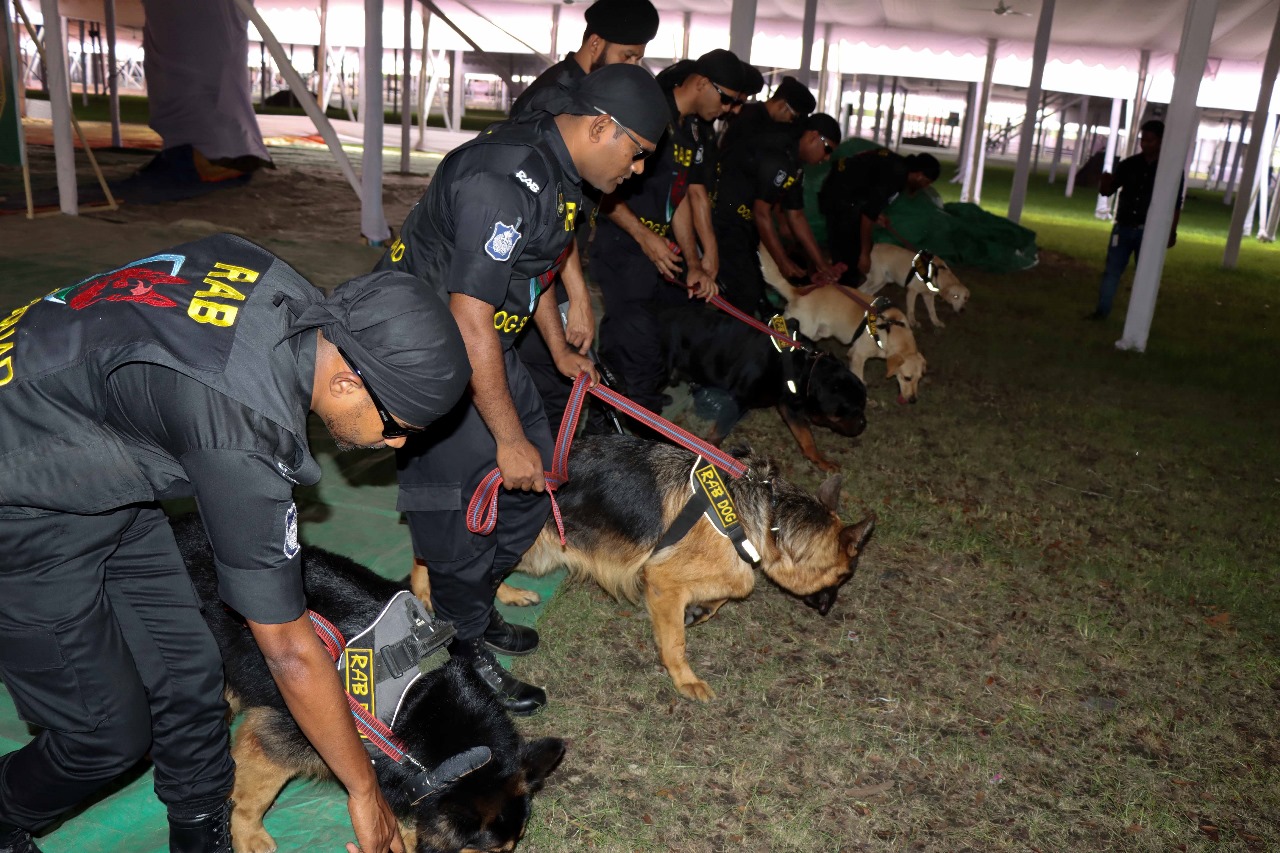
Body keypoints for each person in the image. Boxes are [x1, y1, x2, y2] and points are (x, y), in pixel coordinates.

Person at [0, 234, 471, 853]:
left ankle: (202, 835)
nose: (396, 446)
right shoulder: (243, 435)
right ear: (349, 382)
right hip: (22, 503)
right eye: (397, 427)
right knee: (104, 734)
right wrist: (363, 788)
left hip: (96, 453)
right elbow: (291, 653)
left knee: (191, 679)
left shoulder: (287, 290)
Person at [375, 63, 669, 716]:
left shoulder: (559, 171)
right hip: (421, 348)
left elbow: (528, 270)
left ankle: (468, 606)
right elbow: (471, 312)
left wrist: (560, 348)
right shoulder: (502, 181)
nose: (640, 170)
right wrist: (504, 437)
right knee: (461, 509)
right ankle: (464, 654)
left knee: (539, 481)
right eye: (638, 153)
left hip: (476, 340)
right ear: (601, 127)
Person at [508, 0, 660, 435]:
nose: (635, 67)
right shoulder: (555, 100)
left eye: (639, 58)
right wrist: (576, 301)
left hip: (556, 255)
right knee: (553, 386)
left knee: (559, 381)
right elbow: (550, 212)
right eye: (628, 56)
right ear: (596, 43)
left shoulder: (597, 92)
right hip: (536, 262)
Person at [591, 49, 747, 416]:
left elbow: (678, 201)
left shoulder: (687, 129)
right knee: (634, 346)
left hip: (658, 252)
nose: (726, 109)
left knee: (653, 343)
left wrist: (694, 261)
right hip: (624, 248)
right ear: (700, 83)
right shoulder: (649, 112)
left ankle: (628, 409)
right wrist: (645, 237)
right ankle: (620, 423)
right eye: (725, 98)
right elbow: (601, 188)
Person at [711, 112, 842, 316]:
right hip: (722, 219)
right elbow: (762, 213)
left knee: (755, 290)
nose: (826, 158)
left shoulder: (795, 164)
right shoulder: (778, 155)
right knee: (744, 293)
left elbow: (796, 216)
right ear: (813, 136)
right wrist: (782, 261)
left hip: (743, 222)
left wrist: (821, 264)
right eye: (827, 150)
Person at [1086, 119, 1181, 320]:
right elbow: (1108, 191)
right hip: (1123, 227)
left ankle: (1139, 317)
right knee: (1112, 271)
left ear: (1162, 141)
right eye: (1143, 140)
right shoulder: (1129, 164)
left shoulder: (1170, 170)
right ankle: (1101, 312)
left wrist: (1172, 231)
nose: (1145, 144)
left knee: (1145, 275)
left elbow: (1175, 203)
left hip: (1150, 231)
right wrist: (1104, 184)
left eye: (1150, 140)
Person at [818, 147, 941, 285]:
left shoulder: (898, 165)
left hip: (843, 193)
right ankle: (843, 290)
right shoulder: (895, 176)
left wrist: (876, 214)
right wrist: (864, 255)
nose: (924, 186)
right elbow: (866, 216)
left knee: (852, 251)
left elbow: (869, 192)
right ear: (920, 175)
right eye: (926, 182)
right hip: (838, 197)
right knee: (851, 256)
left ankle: (840, 282)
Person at [718, 74, 815, 153]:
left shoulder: (756, 116)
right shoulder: (750, 120)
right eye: (793, 116)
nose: (790, 121)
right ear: (782, 106)